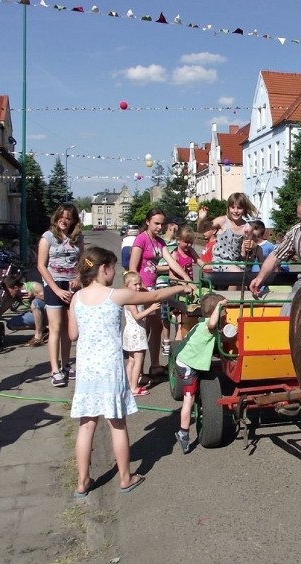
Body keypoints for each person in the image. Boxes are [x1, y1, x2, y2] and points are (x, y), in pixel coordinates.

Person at [68, 247, 192, 497]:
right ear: (104, 269)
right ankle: (125, 477)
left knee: (86, 425)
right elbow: (155, 295)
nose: (114, 273)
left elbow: (73, 335)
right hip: (110, 367)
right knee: (117, 424)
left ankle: (82, 482)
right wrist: (180, 287)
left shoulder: (77, 298)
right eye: (113, 267)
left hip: (86, 369)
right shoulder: (115, 295)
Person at [129, 208, 193, 376]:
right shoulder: (141, 239)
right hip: (141, 289)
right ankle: (139, 372)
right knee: (142, 330)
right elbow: (132, 269)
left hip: (152, 288)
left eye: (161, 224)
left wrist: (187, 279)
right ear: (147, 222)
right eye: (156, 223)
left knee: (155, 327)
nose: (159, 227)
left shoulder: (159, 242)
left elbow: (172, 262)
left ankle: (155, 365)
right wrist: (139, 289)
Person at [173, 293, 226, 454]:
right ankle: (183, 433)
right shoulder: (207, 326)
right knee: (189, 399)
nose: (226, 314)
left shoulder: (202, 323)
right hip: (187, 365)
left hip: (188, 360)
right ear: (216, 311)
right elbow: (213, 322)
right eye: (224, 311)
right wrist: (219, 306)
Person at [38, 203, 84, 388]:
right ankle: (55, 370)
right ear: (56, 218)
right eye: (62, 217)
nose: (64, 221)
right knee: (55, 327)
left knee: (68, 328)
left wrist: (79, 277)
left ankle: (65, 365)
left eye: (68, 218)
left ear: (73, 221)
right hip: (54, 284)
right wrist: (56, 289)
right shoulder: (47, 237)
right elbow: (41, 265)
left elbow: (84, 260)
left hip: (71, 284)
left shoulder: (77, 237)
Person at [197, 193, 258, 275]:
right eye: (232, 207)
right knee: (237, 273)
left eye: (239, 208)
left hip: (237, 262)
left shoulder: (247, 228)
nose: (235, 211)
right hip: (220, 261)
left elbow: (244, 254)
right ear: (228, 208)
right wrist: (201, 219)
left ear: (244, 209)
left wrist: (251, 247)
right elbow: (201, 230)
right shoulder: (222, 221)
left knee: (244, 274)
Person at [121, 272, 158, 397]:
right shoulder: (131, 300)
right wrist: (151, 309)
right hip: (136, 332)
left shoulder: (130, 296)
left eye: (139, 283)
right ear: (126, 285)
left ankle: (128, 384)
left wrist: (144, 289)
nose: (138, 286)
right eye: (135, 284)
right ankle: (134, 387)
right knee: (138, 360)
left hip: (131, 331)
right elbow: (137, 316)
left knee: (131, 360)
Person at [1, 277, 47, 347]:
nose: (8, 294)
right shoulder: (14, 296)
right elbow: (5, 307)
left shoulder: (34, 286)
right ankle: (44, 329)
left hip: (47, 312)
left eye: (9, 291)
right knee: (11, 324)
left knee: (35, 303)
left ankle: (38, 336)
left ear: (15, 288)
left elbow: (50, 298)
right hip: (35, 315)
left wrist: (35, 295)